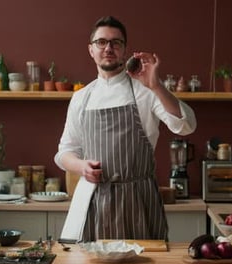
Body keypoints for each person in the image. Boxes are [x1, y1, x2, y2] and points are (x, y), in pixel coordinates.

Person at [55, 16, 196, 242]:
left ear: (125, 49)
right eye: (101, 42)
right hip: (93, 201)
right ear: (91, 50)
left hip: (139, 201)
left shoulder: (146, 91)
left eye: (116, 43)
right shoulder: (81, 98)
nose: (108, 48)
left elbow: (186, 126)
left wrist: (156, 85)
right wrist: (82, 166)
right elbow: (64, 153)